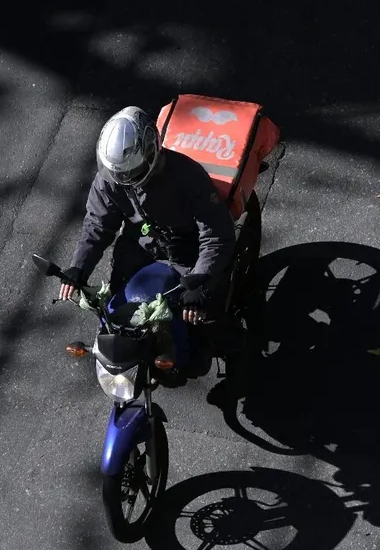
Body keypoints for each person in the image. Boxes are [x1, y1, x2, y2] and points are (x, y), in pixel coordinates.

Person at [58, 105, 242, 375]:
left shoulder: (187, 176)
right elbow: (97, 225)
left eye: (131, 173)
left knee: (204, 317)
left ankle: (240, 361)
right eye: (119, 175)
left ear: (152, 153)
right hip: (139, 249)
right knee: (116, 310)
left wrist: (200, 283)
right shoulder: (111, 179)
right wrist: (78, 268)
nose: (125, 181)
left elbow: (216, 235)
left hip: (187, 253)